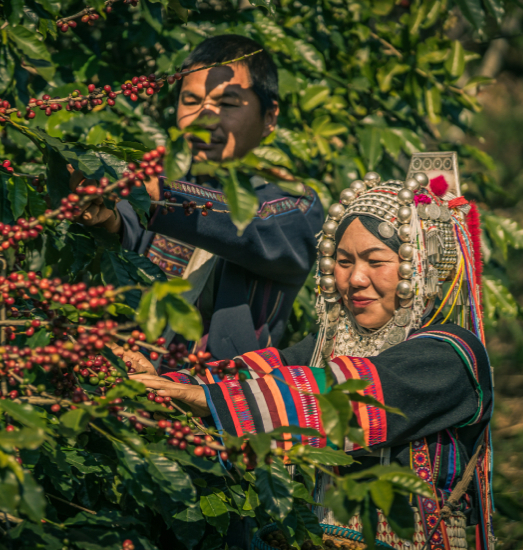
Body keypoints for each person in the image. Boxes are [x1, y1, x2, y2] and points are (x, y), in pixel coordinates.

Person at [127, 153, 496, 550]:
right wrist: (165, 385)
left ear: (422, 266)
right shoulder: (333, 344)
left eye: (376, 261)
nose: (355, 278)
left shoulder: (451, 356)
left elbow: (350, 396)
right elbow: (259, 372)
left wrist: (211, 399)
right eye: (342, 261)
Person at [73, 34, 324, 362]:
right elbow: (128, 228)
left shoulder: (296, 205)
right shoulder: (162, 184)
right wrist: (106, 217)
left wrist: (155, 194)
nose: (204, 119)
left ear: (270, 117)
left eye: (228, 103)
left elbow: (254, 229)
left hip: (218, 402)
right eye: (191, 101)